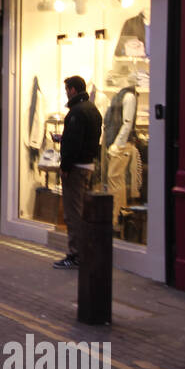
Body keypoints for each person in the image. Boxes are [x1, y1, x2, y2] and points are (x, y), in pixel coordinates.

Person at [54, 74, 103, 269]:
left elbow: (74, 143)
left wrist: (65, 166)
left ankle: (76, 254)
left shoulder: (76, 113)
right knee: (83, 211)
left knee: (73, 213)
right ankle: (84, 252)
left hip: (75, 168)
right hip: (88, 165)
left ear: (73, 90)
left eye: (67, 89)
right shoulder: (93, 110)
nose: (66, 93)